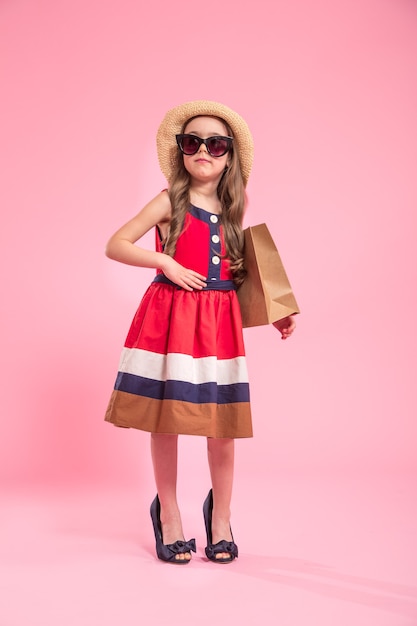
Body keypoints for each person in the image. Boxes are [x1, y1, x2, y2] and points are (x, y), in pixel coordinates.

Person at [104, 100, 296, 564]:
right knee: (165, 418)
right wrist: (165, 260)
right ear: (181, 151)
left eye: (215, 144)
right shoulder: (170, 198)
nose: (203, 151)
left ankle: (221, 516)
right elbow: (117, 244)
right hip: (170, 316)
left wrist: (276, 309)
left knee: (221, 426)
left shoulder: (235, 204)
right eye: (192, 142)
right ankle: (168, 512)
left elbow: (238, 266)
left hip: (219, 321)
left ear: (229, 155)